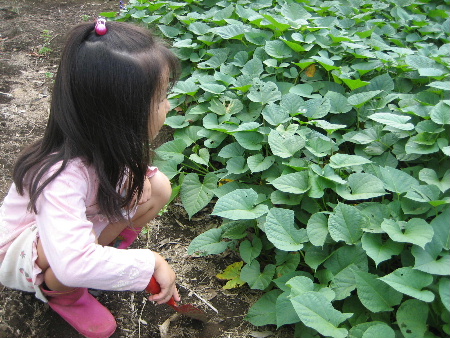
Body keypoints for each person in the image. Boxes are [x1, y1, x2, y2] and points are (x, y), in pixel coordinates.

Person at [0, 18, 181, 338]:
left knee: (155, 187)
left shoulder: (102, 143)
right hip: (24, 253)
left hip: (71, 231)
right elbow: (70, 261)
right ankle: (64, 295)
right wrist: (149, 262)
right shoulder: (61, 175)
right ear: (120, 118)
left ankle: (105, 255)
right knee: (67, 258)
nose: (168, 105)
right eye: (160, 98)